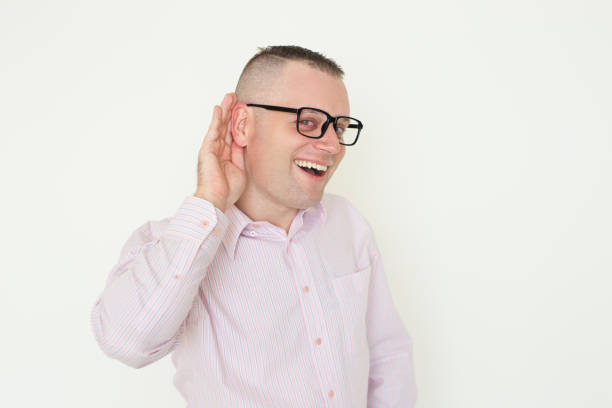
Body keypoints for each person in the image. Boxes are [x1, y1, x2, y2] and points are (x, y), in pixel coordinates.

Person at [91, 45, 417, 407]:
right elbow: (124, 343)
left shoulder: (349, 225)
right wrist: (210, 201)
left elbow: (388, 357)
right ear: (243, 125)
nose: (332, 145)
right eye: (308, 122)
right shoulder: (172, 244)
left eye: (339, 128)